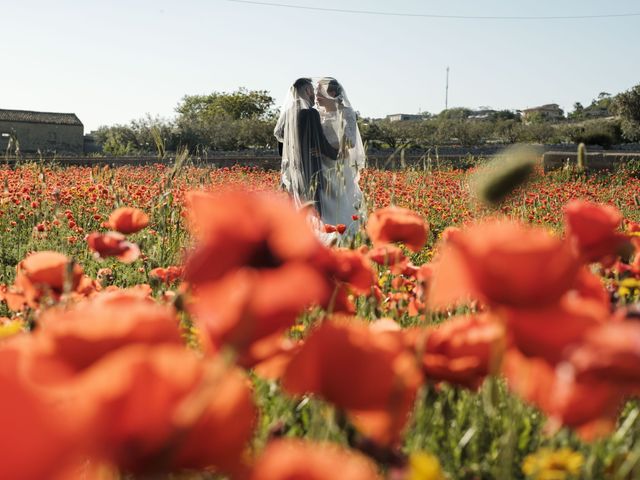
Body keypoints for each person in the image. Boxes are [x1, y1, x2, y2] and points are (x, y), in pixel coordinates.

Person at [274, 78, 338, 216]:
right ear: (308, 91)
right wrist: (335, 153)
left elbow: (280, 141)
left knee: (293, 202)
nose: (314, 94)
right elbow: (320, 141)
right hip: (310, 165)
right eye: (312, 90)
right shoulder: (310, 113)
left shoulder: (287, 113)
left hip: (291, 166)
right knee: (312, 203)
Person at [314, 77, 366, 234]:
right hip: (321, 165)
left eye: (320, 92)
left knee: (340, 202)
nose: (316, 95)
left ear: (333, 92)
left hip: (339, 165)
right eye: (316, 92)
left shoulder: (346, 112)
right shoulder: (317, 115)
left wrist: (324, 149)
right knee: (324, 202)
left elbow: (349, 141)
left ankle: (345, 235)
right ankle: (326, 235)